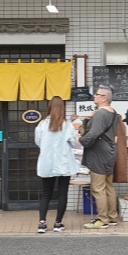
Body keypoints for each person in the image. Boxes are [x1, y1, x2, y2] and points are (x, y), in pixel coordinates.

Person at [34, 96, 79, 233]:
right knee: (62, 194)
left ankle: (42, 223)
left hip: (47, 163)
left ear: (49, 107)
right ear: (62, 108)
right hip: (63, 163)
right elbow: (73, 142)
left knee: (46, 193)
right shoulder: (67, 125)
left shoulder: (42, 124)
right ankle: (58, 223)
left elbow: (38, 142)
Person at [79, 84, 121, 229]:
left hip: (98, 154)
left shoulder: (101, 114)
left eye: (97, 94)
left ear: (103, 98)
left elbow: (93, 134)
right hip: (109, 152)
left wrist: (81, 140)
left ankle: (102, 219)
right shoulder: (113, 112)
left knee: (98, 188)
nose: (94, 96)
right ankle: (112, 217)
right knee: (108, 186)